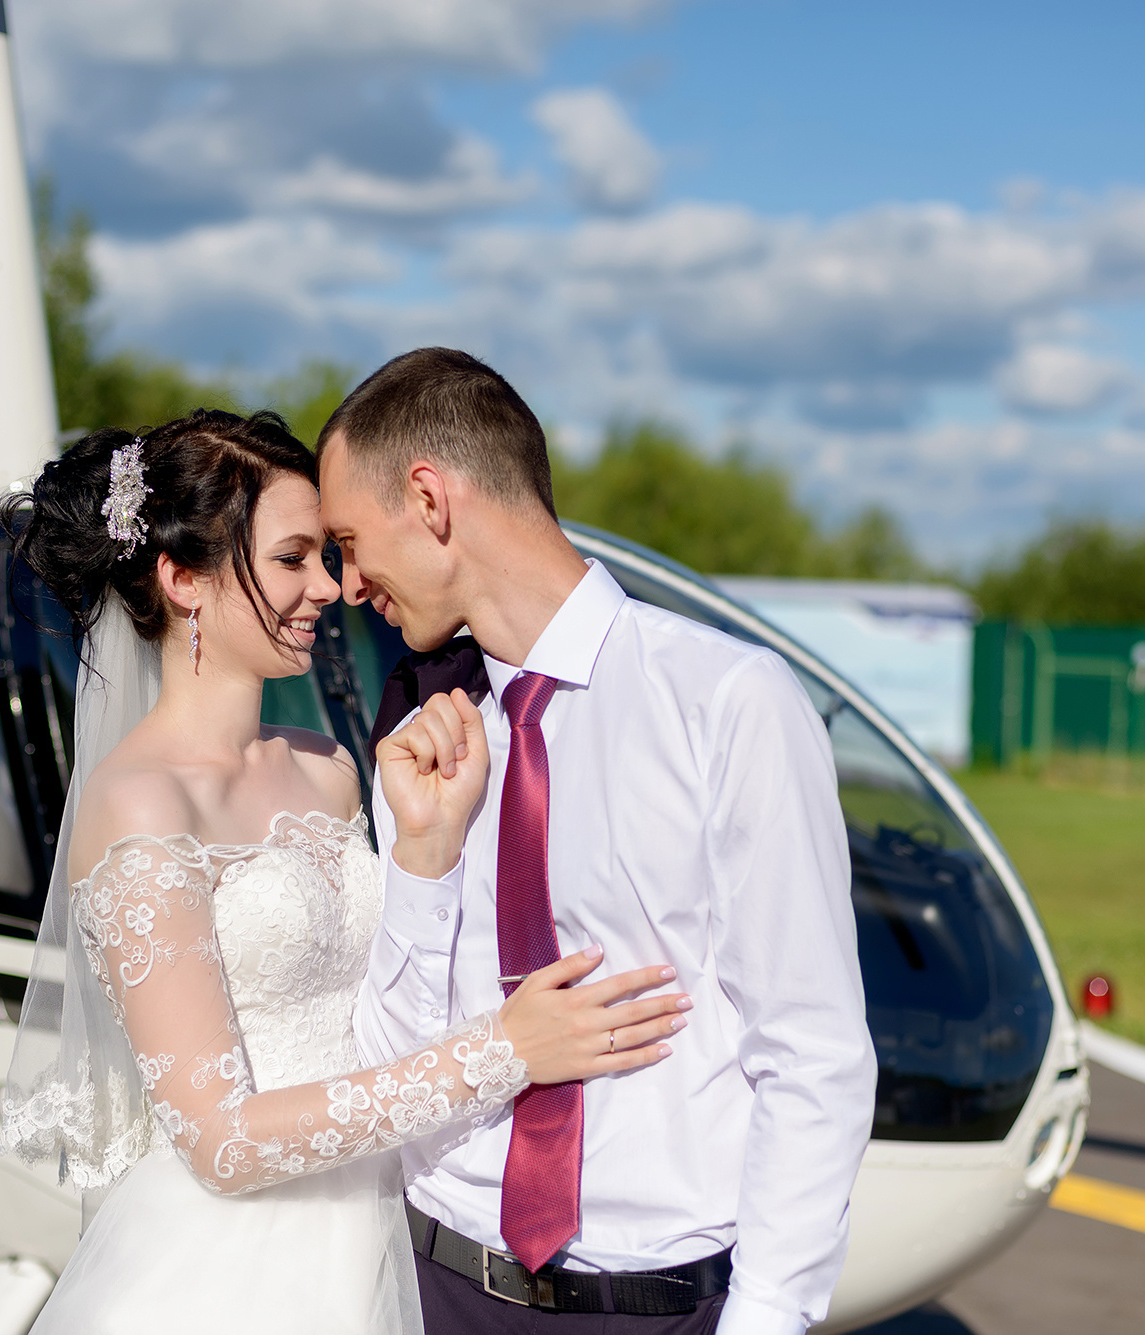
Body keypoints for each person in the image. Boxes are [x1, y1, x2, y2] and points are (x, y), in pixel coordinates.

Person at [0, 409, 690, 1334]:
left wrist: (428, 847)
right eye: (293, 559)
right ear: (183, 579)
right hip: (232, 1268)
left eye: (327, 555)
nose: (330, 586)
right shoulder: (140, 805)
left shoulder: (326, 768)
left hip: (383, 1229)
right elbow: (221, 1141)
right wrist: (504, 1051)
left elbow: (384, 1002)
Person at [320, 349, 877, 1335]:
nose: (349, 585)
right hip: (433, 1286)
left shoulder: (725, 701)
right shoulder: (417, 733)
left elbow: (812, 1052)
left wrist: (765, 1319)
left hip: (658, 1310)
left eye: (350, 543)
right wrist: (423, 861)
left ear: (430, 500)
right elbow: (392, 1056)